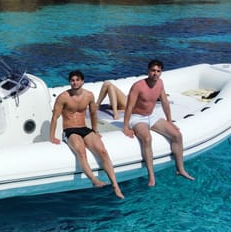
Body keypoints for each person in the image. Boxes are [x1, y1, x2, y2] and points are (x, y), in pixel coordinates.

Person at [49, 70, 124, 199]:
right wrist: (52, 136)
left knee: (103, 151)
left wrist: (95, 130)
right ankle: (94, 180)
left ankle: (115, 186)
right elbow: (55, 117)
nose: (75, 82)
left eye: (77, 80)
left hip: (84, 128)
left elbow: (94, 114)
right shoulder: (63, 97)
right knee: (81, 152)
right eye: (72, 80)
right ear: (69, 82)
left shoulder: (89, 95)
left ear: (82, 81)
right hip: (70, 130)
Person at [122, 59, 195, 186]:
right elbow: (129, 107)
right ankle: (151, 175)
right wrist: (126, 127)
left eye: (158, 71)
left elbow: (165, 102)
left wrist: (169, 121)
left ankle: (180, 169)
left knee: (177, 135)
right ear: (148, 71)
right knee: (147, 138)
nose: (155, 73)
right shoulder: (138, 86)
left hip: (152, 116)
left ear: (161, 73)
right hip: (137, 117)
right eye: (153, 70)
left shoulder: (160, 83)